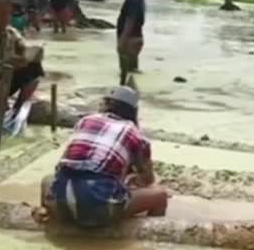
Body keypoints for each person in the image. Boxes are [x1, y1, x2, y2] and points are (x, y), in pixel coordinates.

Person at [34, 86, 169, 228]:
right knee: (160, 196)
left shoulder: (85, 121)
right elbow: (148, 181)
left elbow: (63, 166)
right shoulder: (135, 134)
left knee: (47, 180)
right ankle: (150, 232)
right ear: (134, 112)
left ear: (104, 104)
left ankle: (48, 213)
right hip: (99, 207)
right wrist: (134, 179)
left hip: (60, 201)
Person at [117, 0, 145, 85]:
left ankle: (123, 93)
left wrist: (123, 39)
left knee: (126, 73)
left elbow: (131, 19)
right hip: (134, 37)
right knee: (131, 71)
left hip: (129, 38)